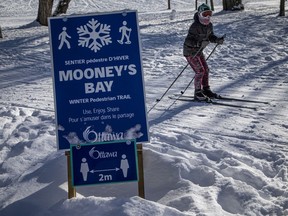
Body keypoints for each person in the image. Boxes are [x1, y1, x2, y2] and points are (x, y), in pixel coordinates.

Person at [183, 3, 224, 101]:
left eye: (209, 14)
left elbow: (210, 36)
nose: (208, 16)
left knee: (206, 69)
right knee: (200, 71)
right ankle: (197, 93)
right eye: (205, 14)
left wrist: (217, 40)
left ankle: (206, 89)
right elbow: (188, 41)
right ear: (199, 14)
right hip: (190, 51)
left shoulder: (209, 25)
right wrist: (198, 44)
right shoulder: (195, 26)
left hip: (199, 51)